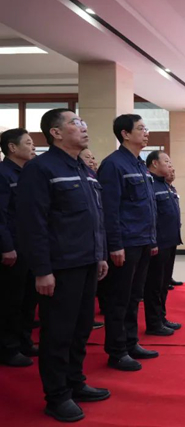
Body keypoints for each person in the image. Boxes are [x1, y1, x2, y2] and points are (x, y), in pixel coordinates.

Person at [16, 108, 110, 422]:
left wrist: (100, 254)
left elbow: (94, 218)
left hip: (87, 261)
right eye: (76, 123)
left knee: (81, 328)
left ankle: (75, 382)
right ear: (55, 133)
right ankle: (56, 397)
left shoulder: (83, 169)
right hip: (60, 267)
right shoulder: (41, 169)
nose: (84, 127)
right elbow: (32, 223)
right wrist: (42, 270)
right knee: (58, 332)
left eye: (83, 122)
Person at [97, 114, 158, 371]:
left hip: (142, 240)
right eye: (141, 128)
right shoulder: (113, 165)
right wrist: (115, 244)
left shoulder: (139, 164)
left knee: (134, 297)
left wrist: (152, 239)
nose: (146, 132)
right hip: (126, 242)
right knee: (118, 299)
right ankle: (117, 351)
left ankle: (131, 343)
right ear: (125, 134)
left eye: (146, 128)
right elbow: (109, 209)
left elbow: (147, 206)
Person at [0, 128, 37, 367]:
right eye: (29, 143)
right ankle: (8, 348)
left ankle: (24, 341)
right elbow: (1, 215)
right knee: (10, 301)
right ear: (12, 148)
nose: (33, 147)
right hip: (13, 248)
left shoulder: (29, 173)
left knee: (28, 299)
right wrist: (6, 246)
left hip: (30, 247)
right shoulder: (3, 174)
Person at [143, 151, 182, 336]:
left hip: (170, 241)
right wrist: (152, 241)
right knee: (154, 285)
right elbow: (149, 216)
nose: (170, 165)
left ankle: (161, 318)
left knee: (164, 284)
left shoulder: (165, 185)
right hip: (158, 243)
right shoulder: (149, 184)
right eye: (166, 161)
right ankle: (153, 323)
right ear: (154, 163)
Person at [78, 146, 104, 330]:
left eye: (93, 157)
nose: (93, 161)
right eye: (88, 158)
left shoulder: (93, 178)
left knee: (89, 291)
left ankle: (86, 322)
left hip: (95, 243)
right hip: (75, 247)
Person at [166, 168, 183, 290]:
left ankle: (169, 277)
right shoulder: (160, 188)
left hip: (174, 228)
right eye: (170, 172)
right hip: (165, 230)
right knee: (165, 257)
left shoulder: (173, 189)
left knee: (171, 256)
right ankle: (165, 280)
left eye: (174, 172)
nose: (172, 174)